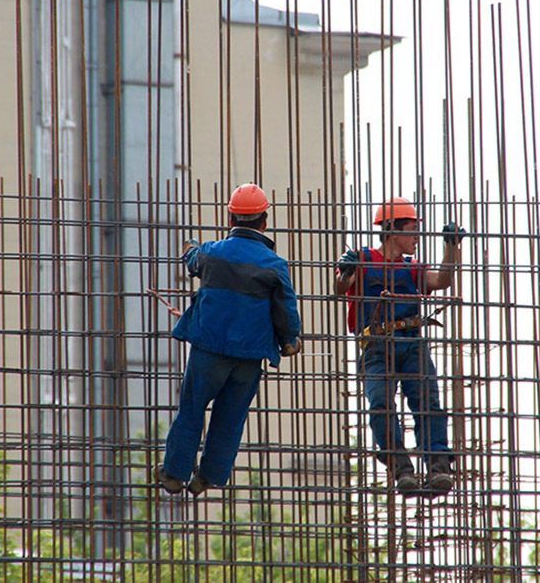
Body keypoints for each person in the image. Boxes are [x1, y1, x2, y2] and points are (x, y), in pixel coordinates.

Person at [157, 183, 301, 496]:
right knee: (231, 418)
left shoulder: (211, 253)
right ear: (264, 222)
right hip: (249, 357)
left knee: (192, 410)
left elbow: (193, 260)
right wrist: (290, 340)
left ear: (230, 219)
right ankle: (209, 477)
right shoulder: (275, 265)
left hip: (209, 351)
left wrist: (189, 247)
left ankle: (174, 473)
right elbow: (286, 307)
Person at [336, 197, 465, 498]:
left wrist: (452, 247)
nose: (416, 238)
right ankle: (401, 467)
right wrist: (346, 270)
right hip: (376, 345)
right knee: (380, 404)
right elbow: (341, 288)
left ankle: (437, 466)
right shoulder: (363, 259)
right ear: (392, 230)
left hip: (411, 344)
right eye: (411, 231)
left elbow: (443, 280)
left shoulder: (414, 268)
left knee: (427, 402)